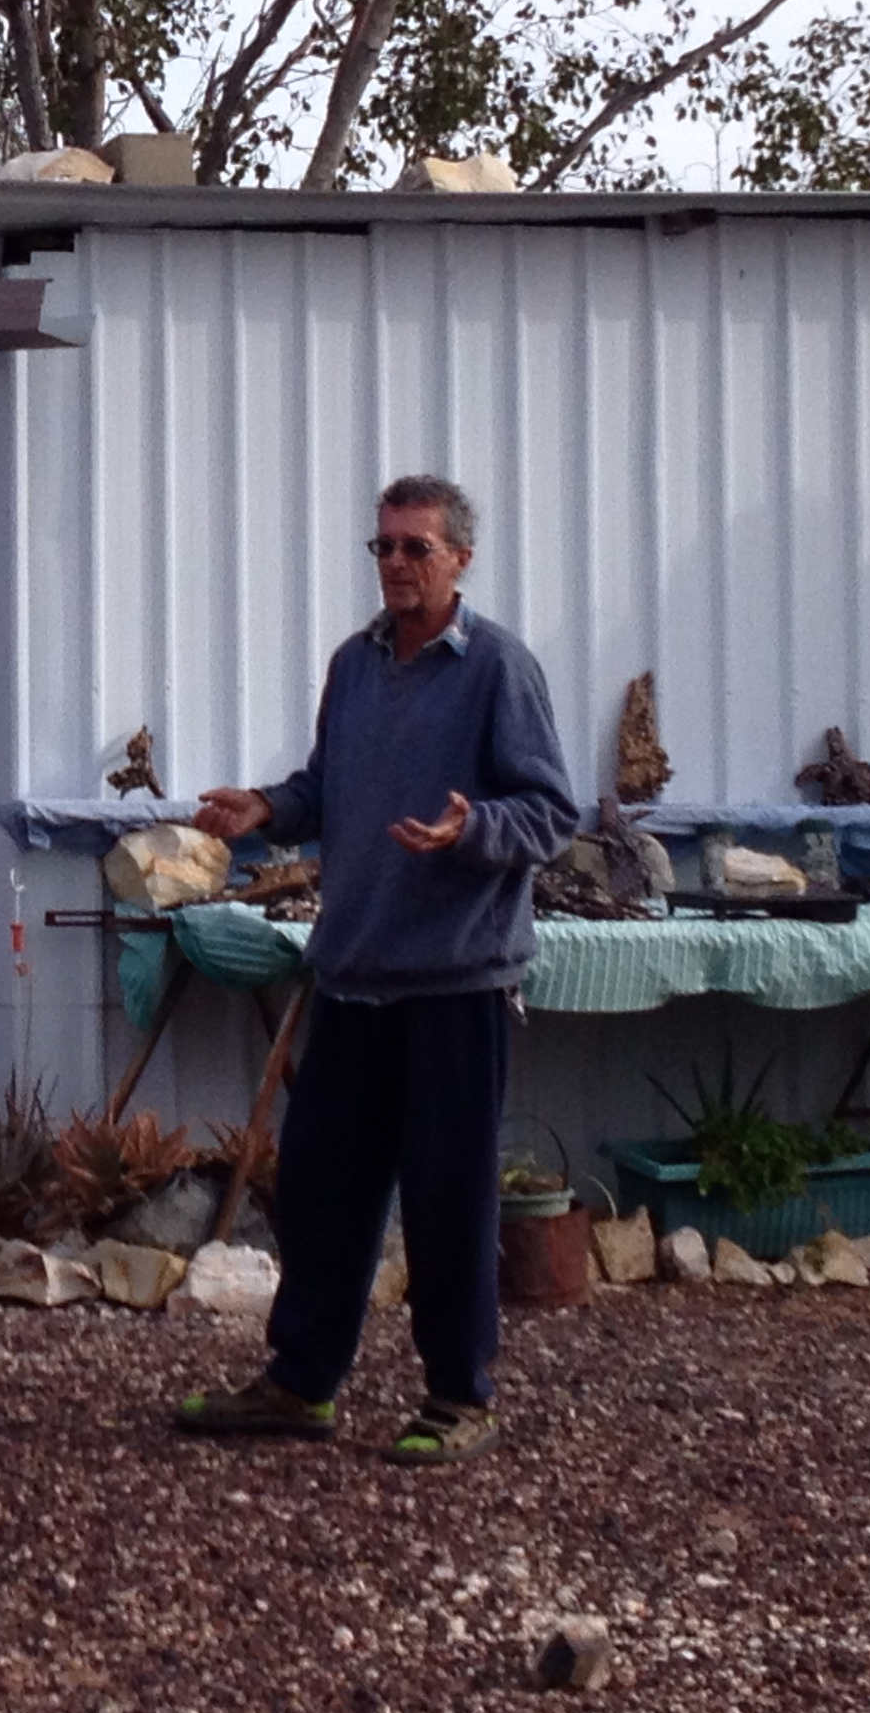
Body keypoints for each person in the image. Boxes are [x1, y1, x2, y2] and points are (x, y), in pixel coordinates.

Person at [176, 475, 578, 1466]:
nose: (396, 565)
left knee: (447, 1200)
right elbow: (329, 787)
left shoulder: (497, 670)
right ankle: (301, 1383)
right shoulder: (354, 666)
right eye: (384, 548)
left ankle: (457, 1396)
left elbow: (553, 814)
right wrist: (267, 807)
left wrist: (471, 827)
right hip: (351, 974)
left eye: (416, 549)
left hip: (453, 981)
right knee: (320, 1193)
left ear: (460, 562)